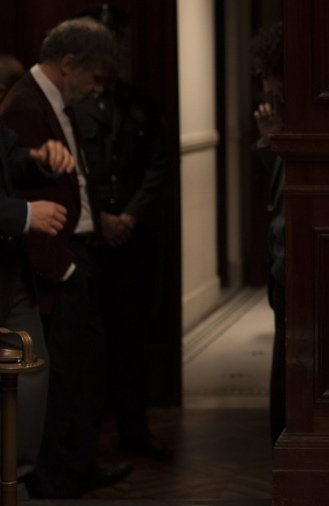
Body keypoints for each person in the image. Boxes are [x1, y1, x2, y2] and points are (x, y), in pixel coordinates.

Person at [0, 16, 132, 497]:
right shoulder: (23, 101)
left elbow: (17, 162)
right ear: (70, 62)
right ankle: (36, 480)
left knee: (58, 377)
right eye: (94, 78)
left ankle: (41, 477)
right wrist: (57, 257)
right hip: (41, 265)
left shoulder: (45, 104)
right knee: (46, 381)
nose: (96, 90)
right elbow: (21, 202)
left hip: (44, 262)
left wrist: (40, 161)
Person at [70, 3, 172, 462]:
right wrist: (100, 219)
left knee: (133, 341)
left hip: (133, 240)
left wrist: (128, 218)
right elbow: (71, 171)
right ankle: (86, 444)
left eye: (117, 40)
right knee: (88, 348)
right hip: (88, 238)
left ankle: (135, 433)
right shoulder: (71, 103)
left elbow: (157, 166)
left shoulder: (139, 101)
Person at [0, 121, 75, 497]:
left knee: (32, 374)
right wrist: (23, 215)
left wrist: (41, 158)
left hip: (10, 275)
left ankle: (14, 484)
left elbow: (10, 156)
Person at [251, 21, 286, 443]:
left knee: (286, 371)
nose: (266, 87)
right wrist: (271, 141)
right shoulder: (286, 116)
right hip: (281, 259)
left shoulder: (307, 115)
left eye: (269, 75)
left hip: (290, 259)